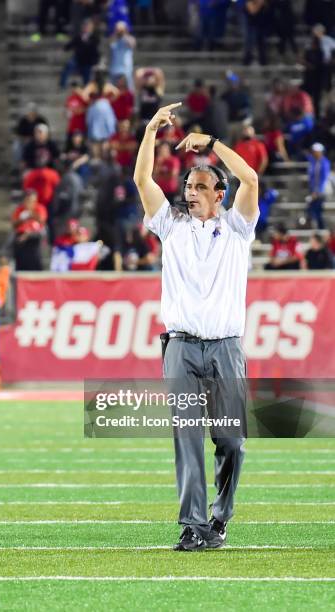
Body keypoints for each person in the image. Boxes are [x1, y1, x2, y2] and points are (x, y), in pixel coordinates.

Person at [134, 102, 259, 551]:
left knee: (232, 443)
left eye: (201, 186)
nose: (191, 192)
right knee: (186, 437)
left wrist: (210, 144)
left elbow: (251, 178)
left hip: (226, 348)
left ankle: (219, 519)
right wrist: (150, 131)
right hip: (182, 349)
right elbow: (142, 180)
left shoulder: (239, 227)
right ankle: (192, 525)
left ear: (219, 194)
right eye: (188, 185)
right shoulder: (171, 226)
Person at [12, 190, 47, 271]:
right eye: (28, 200)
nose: (31, 203)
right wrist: (21, 219)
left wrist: (31, 214)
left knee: (35, 261)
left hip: (35, 236)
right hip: (21, 237)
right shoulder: (19, 210)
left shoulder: (39, 208)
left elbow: (42, 221)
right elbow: (14, 225)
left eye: (33, 201)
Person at [60, 18, 100, 87]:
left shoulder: (95, 38)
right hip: (77, 59)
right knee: (68, 67)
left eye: (88, 26)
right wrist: (64, 49)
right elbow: (71, 44)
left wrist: (95, 62)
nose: (86, 28)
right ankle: (62, 85)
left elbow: (95, 51)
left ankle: (85, 90)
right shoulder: (79, 36)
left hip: (87, 61)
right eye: (85, 26)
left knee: (86, 79)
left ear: (91, 28)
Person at [306, 142, 331, 229]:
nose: (313, 153)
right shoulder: (313, 161)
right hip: (313, 190)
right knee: (311, 209)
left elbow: (324, 178)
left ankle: (321, 229)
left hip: (320, 191)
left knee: (317, 210)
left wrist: (317, 192)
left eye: (315, 151)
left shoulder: (325, 163)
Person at [109, 21, 136, 90]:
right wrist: (116, 34)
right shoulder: (114, 39)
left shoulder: (130, 38)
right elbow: (109, 44)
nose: (119, 31)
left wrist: (124, 34)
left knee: (129, 91)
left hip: (126, 70)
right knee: (113, 91)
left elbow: (131, 44)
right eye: (117, 29)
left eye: (121, 29)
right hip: (114, 69)